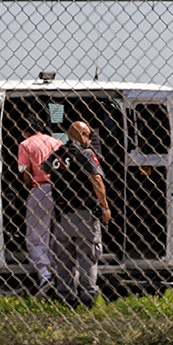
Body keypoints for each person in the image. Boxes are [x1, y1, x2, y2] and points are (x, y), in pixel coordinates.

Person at [49, 121, 111, 307]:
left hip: (61, 214)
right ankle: (87, 298)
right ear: (79, 135)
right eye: (87, 134)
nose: (90, 139)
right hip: (84, 213)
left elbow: (46, 173)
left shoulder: (56, 155)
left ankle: (65, 297)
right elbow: (96, 180)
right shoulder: (86, 154)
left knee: (64, 259)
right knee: (87, 257)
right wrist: (105, 206)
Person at [17, 120, 63, 293]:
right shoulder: (55, 142)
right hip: (59, 190)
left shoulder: (25, 144)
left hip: (39, 189)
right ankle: (61, 272)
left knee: (37, 233)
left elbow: (25, 171)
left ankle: (45, 275)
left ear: (25, 131)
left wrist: (28, 186)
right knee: (56, 232)